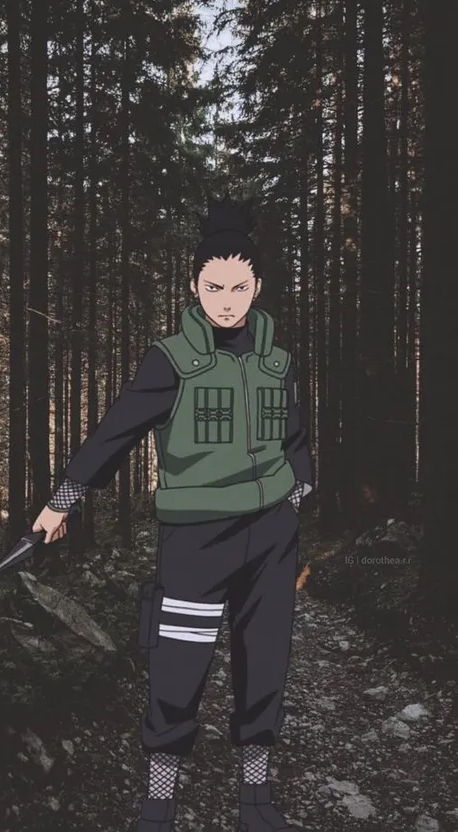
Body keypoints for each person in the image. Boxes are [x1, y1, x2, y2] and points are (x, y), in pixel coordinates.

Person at [33, 193, 313, 832]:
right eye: (214, 287)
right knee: (177, 667)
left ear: (257, 287)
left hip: (272, 537)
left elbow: (295, 435)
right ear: (194, 286)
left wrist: (299, 489)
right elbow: (117, 430)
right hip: (195, 541)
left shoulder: (278, 361)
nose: (226, 300)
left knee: (265, 662)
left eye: (238, 287)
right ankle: (158, 802)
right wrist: (62, 501)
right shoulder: (171, 359)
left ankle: (255, 799)